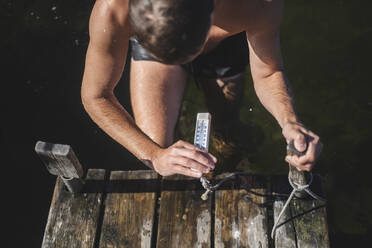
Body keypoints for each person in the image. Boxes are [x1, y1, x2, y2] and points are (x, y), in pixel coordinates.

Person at [81, 0, 322, 178]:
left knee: (227, 132)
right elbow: (96, 95)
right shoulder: (112, 8)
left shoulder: (258, 4)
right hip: (156, 41)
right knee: (157, 154)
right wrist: (155, 155)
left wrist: (290, 122)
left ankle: (221, 130)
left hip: (226, 39)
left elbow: (268, 72)